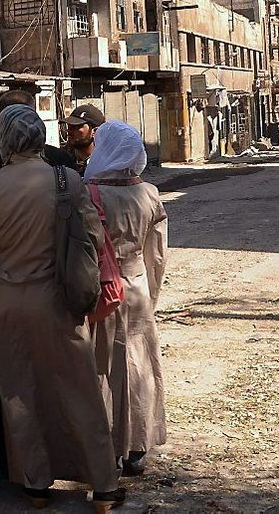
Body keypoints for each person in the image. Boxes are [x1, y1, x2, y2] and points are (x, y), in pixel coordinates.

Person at [0, 105, 125, 512]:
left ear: (3, 138)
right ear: (40, 137)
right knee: (80, 390)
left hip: (4, 303)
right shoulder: (66, 180)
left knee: (19, 393)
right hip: (57, 300)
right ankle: (104, 485)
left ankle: (36, 483)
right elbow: (92, 234)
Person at [0, 89, 75, 477]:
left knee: (9, 380)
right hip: (60, 294)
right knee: (63, 377)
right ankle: (69, 459)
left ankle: (15, 461)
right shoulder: (63, 167)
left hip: (4, 295)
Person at [84, 121, 168, 476]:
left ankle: (102, 445)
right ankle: (136, 447)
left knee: (99, 366)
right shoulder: (149, 193)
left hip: (98, 290)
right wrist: (151, 291)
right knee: (137, 365)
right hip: (136, 288)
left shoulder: (85, 193)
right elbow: (158, 254)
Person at [64, 104, 105, 176]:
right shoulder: (60, 158)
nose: (69, 130)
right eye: (69, 126)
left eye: (76, 126)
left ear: (95, 131)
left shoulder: (106, 164)